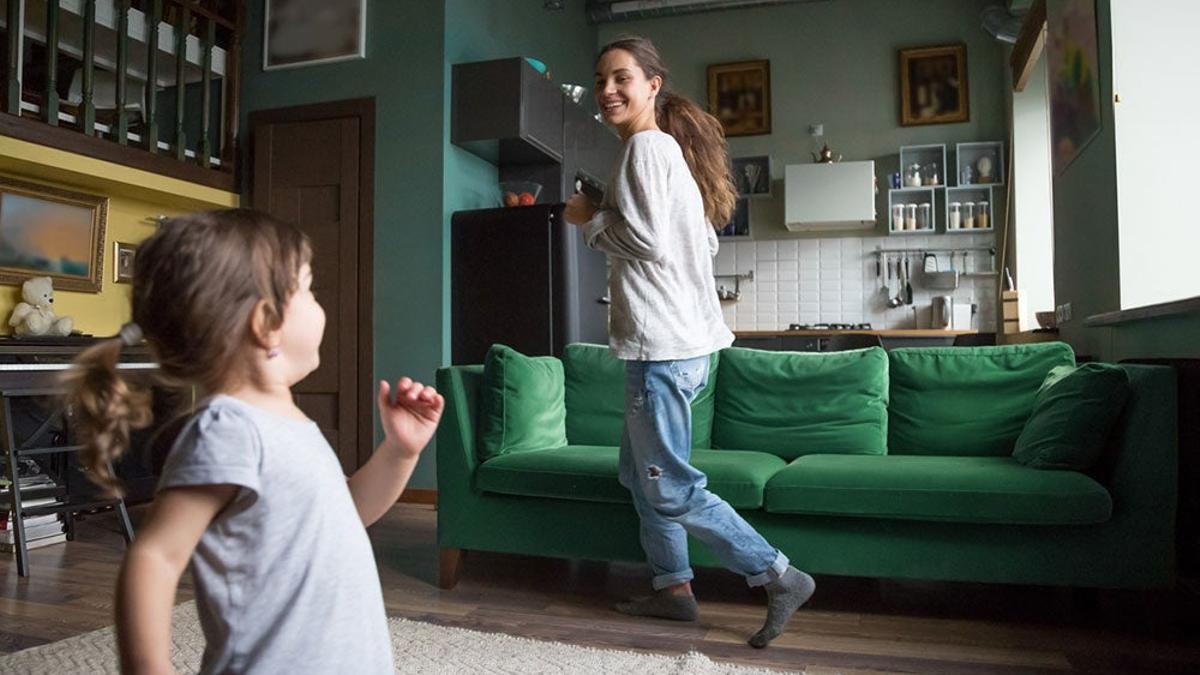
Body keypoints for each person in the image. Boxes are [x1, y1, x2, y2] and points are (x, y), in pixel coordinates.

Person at [64, 209, 443, 674]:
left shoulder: (288, 423)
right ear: (266, 323)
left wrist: (400, 451)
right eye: (309, 289)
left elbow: (348, 512)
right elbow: (156, 555)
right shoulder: (228, 429)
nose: (320, 304)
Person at [563, 37, 815, 649]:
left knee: (670, 485)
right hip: (679, 350)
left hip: (661, 352)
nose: (607, 91)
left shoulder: (647, 148)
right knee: (639, 474)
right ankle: (673, 589)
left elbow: (646, 244)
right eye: (600, 80)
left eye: (621, 78)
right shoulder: (668, 154)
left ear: (653, 84)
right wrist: (606, 205)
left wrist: (589, 221)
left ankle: (779, 575)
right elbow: (698, 245)